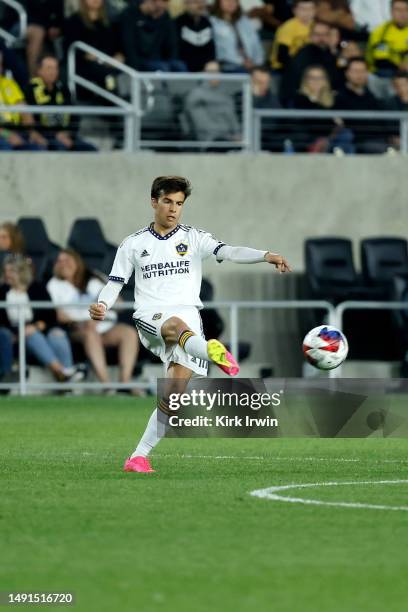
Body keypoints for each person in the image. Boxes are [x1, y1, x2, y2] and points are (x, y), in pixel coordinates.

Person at [89, 176, 291, 473]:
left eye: (179, 203)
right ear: (154, 202)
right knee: (173, 324)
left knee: (173, 395)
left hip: (188, 321)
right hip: (151, 317)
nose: (173, 209)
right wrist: (103, 304)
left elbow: (229, 251)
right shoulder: (133, 244)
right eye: (168, 202)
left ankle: (138, 457)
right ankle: (212, 351)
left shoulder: (194, 237)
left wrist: (265, 255)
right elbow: (116, 281)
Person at [47, 249, 140, 390]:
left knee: (129, 333)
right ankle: (106, 385)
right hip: (78, 329)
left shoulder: (94, 277)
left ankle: (124, 383)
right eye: (59, 261)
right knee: (90, 332)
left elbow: (119, 304)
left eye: (67, 260)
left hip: (105, 326)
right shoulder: (54, 285)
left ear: (77, 262)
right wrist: (83, 322)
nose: (63, 264)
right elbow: (60, 315)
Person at [0, 254, 82, 383]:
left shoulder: (37, 288)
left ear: (21, 272)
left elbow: (50, 315)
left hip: (40, 328)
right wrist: (20, 331)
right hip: (15, 334)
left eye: (12, 271)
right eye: (6, 271)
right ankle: (64, 372)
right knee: (32, 335)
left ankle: (66, 382)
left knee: (57, 335)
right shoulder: (2, 292)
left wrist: (37, 326)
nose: (7, 274)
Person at [24, 55, 97, 152]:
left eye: (55, 68)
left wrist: (66, 133)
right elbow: (31, 120)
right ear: (39, 71)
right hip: (44, 136)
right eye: (49, 68)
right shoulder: (30, 89)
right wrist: (55, 135)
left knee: (90, 149)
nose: (53, 72)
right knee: (60, 147)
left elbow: (74, 116)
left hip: (66, 135)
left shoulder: (63, 89)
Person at [64, 0, 124, 94]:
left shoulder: (110, 21)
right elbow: (71, 45)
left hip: (108, 62)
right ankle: (111, 98)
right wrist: (92, 57)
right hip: (85, 63)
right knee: (106, 75)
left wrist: (119, 55)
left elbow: (118, 45)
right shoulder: (74, 20)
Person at [293, 64, 354, 152]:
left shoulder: (332, 99)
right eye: (312, 78)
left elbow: (341, 121)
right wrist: (332, 120)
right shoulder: (300, 98)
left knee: (346, 135)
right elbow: (310, 122)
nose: (316, 81)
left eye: (320, 78)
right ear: (305, 80)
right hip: (310, 138)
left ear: (325, 80)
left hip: (331, 137)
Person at [280, 19, 340, 104]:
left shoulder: (331, 54)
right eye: (317, 35)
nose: (321, 38)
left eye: (325, 34)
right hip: (304, 100)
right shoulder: (303, 55)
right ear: (310, 36)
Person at [335, 57, 387, 153]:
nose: (359, 75)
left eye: (363, 71)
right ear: (347, 73)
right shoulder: (338, 98)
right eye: (355, 71)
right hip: (354, 143)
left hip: (378, 141)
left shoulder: (374, 98)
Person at [182, 60, 241, 144]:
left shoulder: (225, 94)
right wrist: (228, 137)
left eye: (216, 71)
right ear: (204, 73)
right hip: (211, 141)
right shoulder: (196, 95)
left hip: (231, 140)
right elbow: (201, 124)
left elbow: (232, 118)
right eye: (210, 72)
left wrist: (238, 134)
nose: (214, 75)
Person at [120, 0, 187, 71]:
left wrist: (172, 58)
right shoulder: (129, 14)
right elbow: (128, 44)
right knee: (162, 68)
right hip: (139, 59)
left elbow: (172, 43)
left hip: (158, 58)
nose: (161, 10)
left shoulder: (164, 16)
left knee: (179, 66)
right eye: (158, 8)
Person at [0, 51, 44, 152]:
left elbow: (23, 108)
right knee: (5, 147)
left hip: (14, 129)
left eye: (1, 64)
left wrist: (32, 131)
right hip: (3, 134)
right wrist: (6, 134)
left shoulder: (8, 83)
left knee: (37, 148)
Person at [210, 0, 264, 72]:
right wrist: (242, 62)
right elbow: (219, 51)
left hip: (251, 66)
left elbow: (256, 46)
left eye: (234, 0)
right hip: (227, 65)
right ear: (218, 2)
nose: (231, 2)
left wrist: (257, 64)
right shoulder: (212, 23)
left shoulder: (245, 21)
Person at [270, 0, 316, 71]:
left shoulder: (316, 26)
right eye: (303, 9)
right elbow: (282, 56)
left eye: (310, 9)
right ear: (294, 10)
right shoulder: (288, 26)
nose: (307, 12)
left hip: (306, 65)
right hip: (284, 67)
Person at [366, 0, 408, 78]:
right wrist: (400, 66)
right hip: (384, 71)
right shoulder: (381, 32)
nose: (403, 14)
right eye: (398, 10)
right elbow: (381, 61)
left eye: (406, 10)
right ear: (391, 12)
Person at [25, 0, 65, 77]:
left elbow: (60, 16)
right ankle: (33, 78)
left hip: (46, 30)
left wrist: (56, 27)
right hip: (22, 23)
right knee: (38, 32)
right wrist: (48, 27)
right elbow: (31, 13)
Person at [175, 0, 216, 72]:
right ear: (186, 3)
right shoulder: (178, 23)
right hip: (185, 65)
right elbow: (177, 51)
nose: (200, 5)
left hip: (206, 66)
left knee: (213, 67)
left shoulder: (207, 23)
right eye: (196, 2)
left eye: (202, 2)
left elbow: (211, 49)